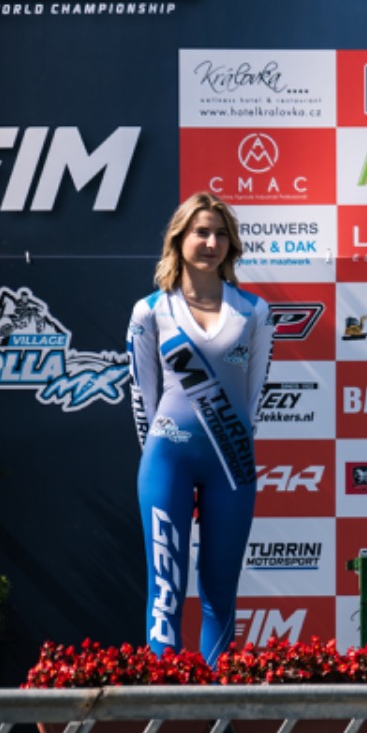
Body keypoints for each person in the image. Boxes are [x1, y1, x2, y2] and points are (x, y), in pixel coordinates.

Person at [128, 193, 273, 665]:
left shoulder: (254, 310)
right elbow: (142, 395)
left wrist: (234, 442)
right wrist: (158, 449)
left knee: (220, 595)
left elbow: (253, 396)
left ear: (232, 244)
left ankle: (217, 705)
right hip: (166, 460)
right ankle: (163, 702)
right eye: (201, 232)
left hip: (232, 461)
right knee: (165, 595)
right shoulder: (150, 310)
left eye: (221, 234)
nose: (211, 243)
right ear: (179, 239)